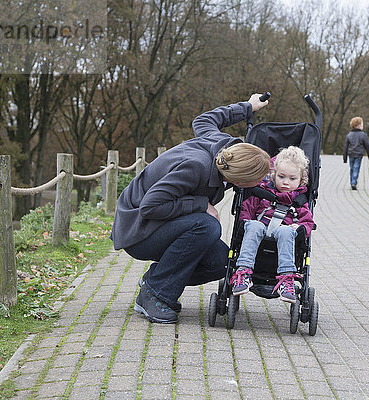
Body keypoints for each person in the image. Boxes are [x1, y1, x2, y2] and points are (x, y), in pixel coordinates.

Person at [110, 94, 271, 324]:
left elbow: (203, 120)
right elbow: (150, 207)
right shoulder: (196, 167)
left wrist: (247, 107)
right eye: (258, 179)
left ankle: (154, 280)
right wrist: (201, 204)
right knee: (207, 226)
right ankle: (156, 294)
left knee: (222, 262)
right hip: (137, 229)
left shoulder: (220, 145)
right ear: (239, 180)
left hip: (157, 223)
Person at [231, 146, 315, 303]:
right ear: (273, 175)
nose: (285, 182)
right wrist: (246, 222)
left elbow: (308, 221)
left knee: (286, 231)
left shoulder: (299, 202)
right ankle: (243, 272)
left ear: (301, 180)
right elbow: (246, 210)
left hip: (284, 237)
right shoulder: (261, 195)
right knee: (254, 225)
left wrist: (299, 228)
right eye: (281, 177)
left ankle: (286, 279)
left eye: (292, 179)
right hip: (259, 231)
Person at [343, 116, 369, 190]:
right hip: (359, 155)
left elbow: (345, 147)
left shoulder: (349, 135)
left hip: (351, 155)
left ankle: (352, 182)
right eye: (362, 124)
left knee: (352, 169)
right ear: (359, 125)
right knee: (356, 168)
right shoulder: (363, 135)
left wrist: (345, 158)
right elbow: (367, 146)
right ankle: (354, 182)